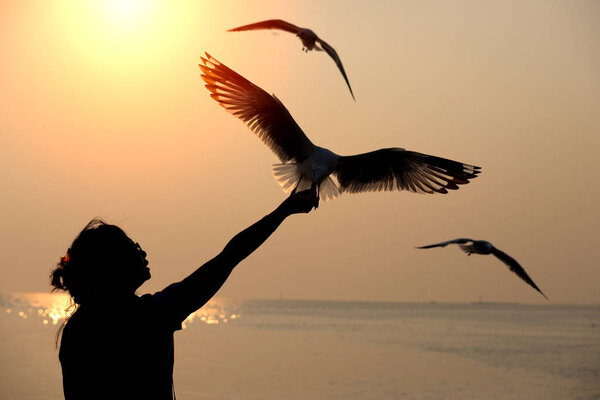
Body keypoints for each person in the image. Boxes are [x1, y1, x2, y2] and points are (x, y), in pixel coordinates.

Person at [50, 189, 318, 399]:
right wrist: (284, 210)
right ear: (113, 266)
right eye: (134, 247)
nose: (142, 253)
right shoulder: (152, 315)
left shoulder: (78, 328)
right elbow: (229, 257)